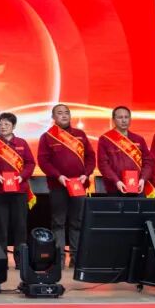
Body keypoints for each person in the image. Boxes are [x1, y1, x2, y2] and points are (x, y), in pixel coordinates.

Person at [37, 103, 95, 264]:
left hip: (79, 185)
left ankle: (76, 259)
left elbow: (90, 157)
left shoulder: (80, 135)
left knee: (77, 222)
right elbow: (43, 161)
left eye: (66, 113)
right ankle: (59, 259)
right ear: (53, 117)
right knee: (58, 222)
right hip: (58, 185)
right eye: (59, 113)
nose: (64, 115)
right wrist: (58, 176)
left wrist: (86, 174)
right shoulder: (47, 137)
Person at [0, 112, 36, 259]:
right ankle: (1, 259)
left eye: (6, 124)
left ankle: (20, 260)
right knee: (0, 226)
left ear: (14, 126)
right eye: (0, 124)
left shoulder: (22, 143)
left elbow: (30, 163)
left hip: (19, 191)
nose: (3, 127)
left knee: (20, 226)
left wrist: (21, 176)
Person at [98, 106, 155, 197]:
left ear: (130, 119)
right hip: (115, 187)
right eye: (120, 117)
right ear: (113, 120)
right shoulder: (105, 139)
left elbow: (148, 162)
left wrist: (143, 179)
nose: (124, 120)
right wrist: (116, 181)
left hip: (138, 187)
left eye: (126, 117)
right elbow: (103, 164)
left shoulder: (139, 139)